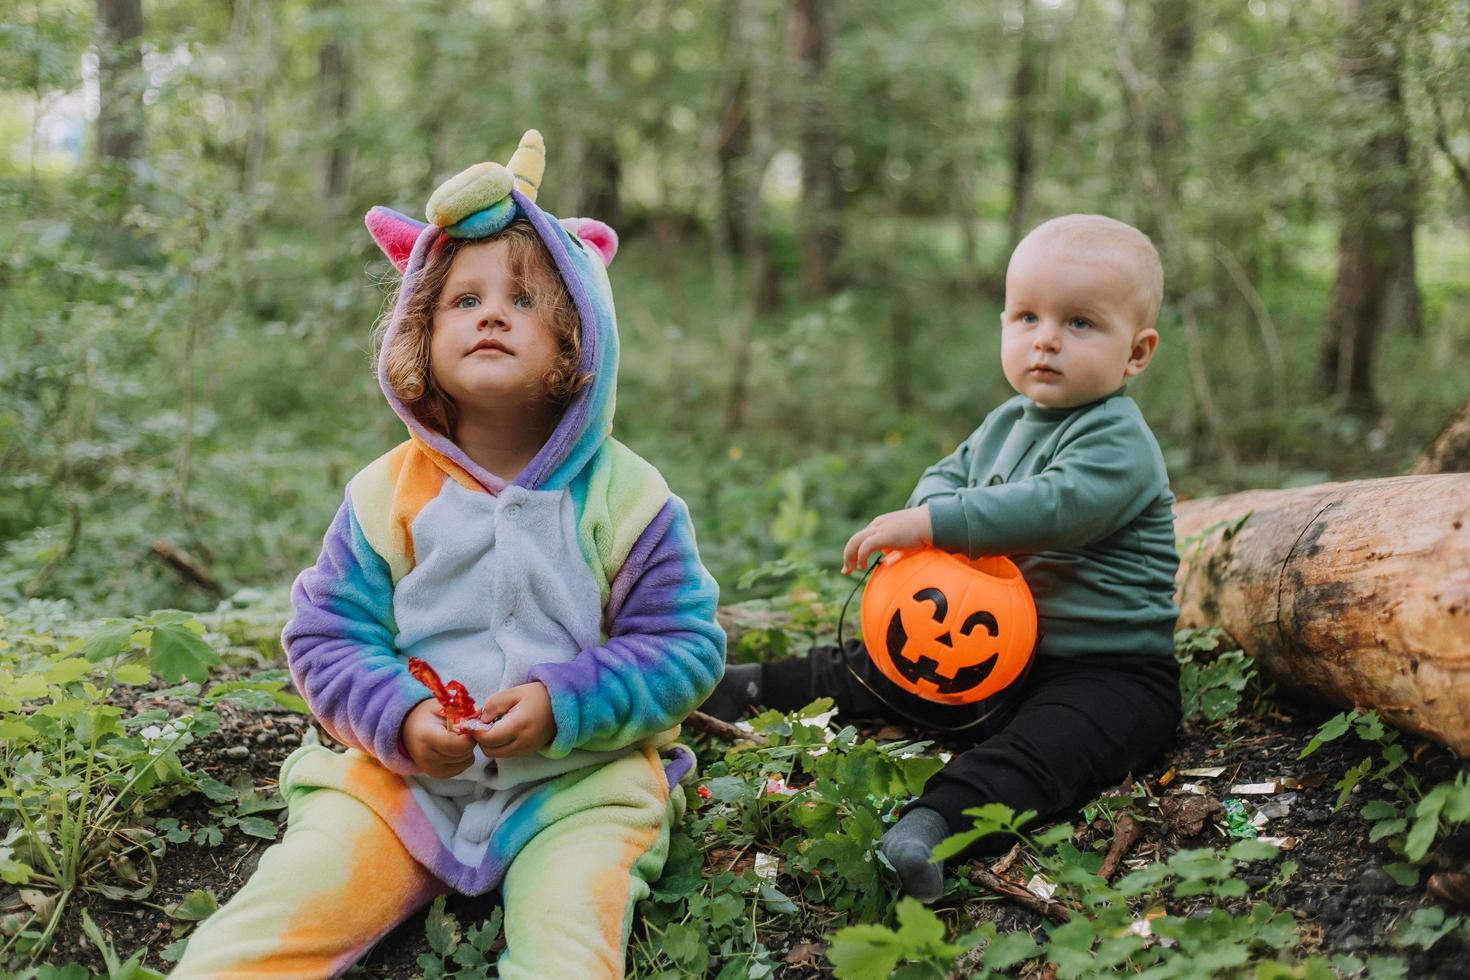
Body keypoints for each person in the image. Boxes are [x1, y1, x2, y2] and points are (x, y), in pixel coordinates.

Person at [172, 130, 725, 978]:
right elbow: (325, 639)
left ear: (582, 339)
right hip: (401, 788)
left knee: (570, 946)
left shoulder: (632, 500)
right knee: (273, 919)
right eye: (464, 300)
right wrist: (396, 717)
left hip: (577, 790)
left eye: (527, 300)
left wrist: (563, 703)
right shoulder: (383, 496)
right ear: (419, 332)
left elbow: (685, 646)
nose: (493, 313)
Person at [702, 214, 1181, 903]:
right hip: (993, 660)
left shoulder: (1119, 443)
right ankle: (748, 686)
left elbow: (1049, 507)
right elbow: (944, 476)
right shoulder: (1006, 422)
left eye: (1079, 323)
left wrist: (932, 524)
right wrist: (925, 514)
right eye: (1026, 316)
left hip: (1106, 669)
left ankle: (933, 826)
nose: (1045, 338)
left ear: (1136, 353)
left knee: (1052, 747)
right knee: (875, 670)